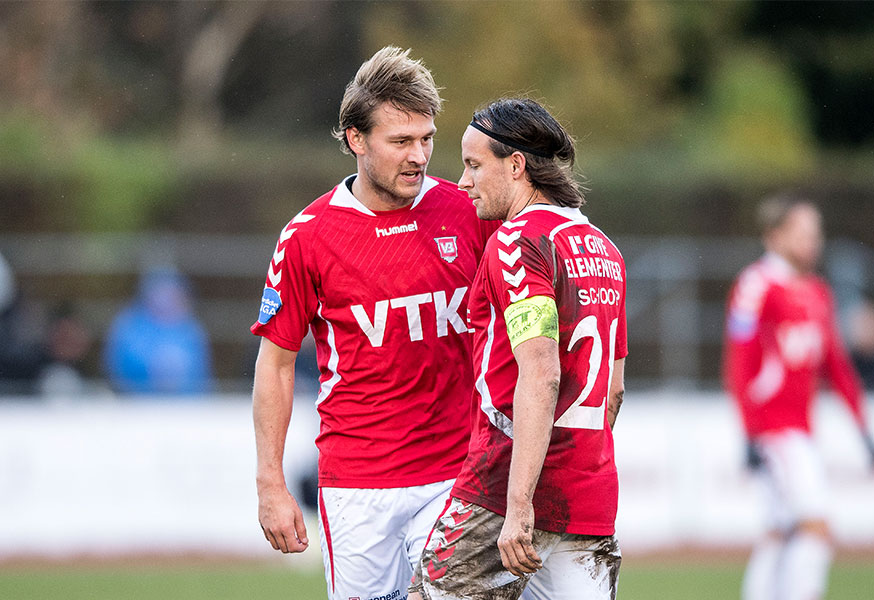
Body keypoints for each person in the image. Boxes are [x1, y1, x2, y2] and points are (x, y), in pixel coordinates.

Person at [249, 47, 496, 600]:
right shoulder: (308, 236)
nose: (419, 156)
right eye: (401, 141)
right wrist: (270, 480)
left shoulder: (468, 211)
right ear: (356, 139)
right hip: (358, 483)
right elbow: (277, 362)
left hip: (460, 472)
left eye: (427, 138)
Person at [410, 98, 627, 599]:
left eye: (472, 165)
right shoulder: (603, 248)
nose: (462, 183)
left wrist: (521, 501)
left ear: (516, 165)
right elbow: (613, 390)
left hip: (505, 485)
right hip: (589, 494)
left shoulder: (516, 242)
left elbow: (542, 372)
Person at [723, 195, 874, 600]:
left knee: (781, 531)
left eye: (816, 233)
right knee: (815, 525)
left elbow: (836, 366)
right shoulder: (756, 285)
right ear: (774, 237)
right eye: (802, 233)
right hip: (774, 429)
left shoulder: (817, 291)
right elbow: (739, 363)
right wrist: (748, 432)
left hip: (800, 428)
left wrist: (863, 426)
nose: (813, 242)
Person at [103, 267, 212, 396]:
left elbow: (202, 375)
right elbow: (116, 367)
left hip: (185, 409)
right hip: (137, 406)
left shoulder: (191, 328)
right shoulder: (129, 325)